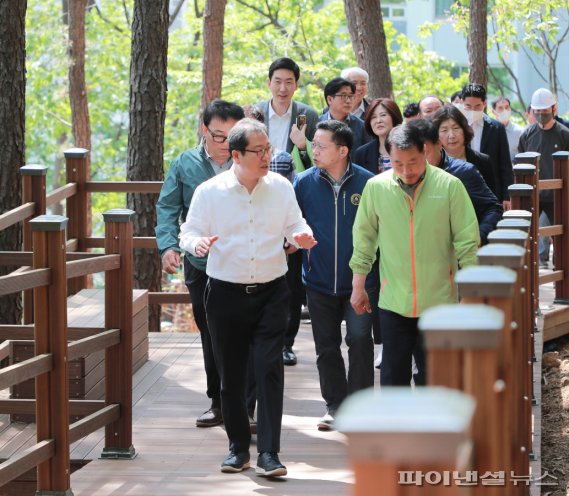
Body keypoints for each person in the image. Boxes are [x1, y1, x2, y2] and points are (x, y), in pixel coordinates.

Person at [179, 119, 316, 476]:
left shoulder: (281, 187)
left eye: (268, 149)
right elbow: (189, 232)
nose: (267, 156)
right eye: (259, 151)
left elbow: (295, 223)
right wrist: (198, 244)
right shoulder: (210, 192)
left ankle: (269, 453)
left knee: (269, 370)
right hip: (225, 293)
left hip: (272, 291)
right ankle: (238, 448)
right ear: (236, 155)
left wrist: (302, 235)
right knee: (232, 376)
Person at [349, 123, 479, 386]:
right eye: (398, 163)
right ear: (388, 158)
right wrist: (358, 285)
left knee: (437, 379)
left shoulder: (450, 186)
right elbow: (364, 239)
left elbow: (468, 242)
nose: (406, 171)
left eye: (413, 162)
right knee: (393, 377)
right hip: (394, 300)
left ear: (426, 151)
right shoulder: (376, 188)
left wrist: (470, 294)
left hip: (440, 301)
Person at [155, 99, 244, 429]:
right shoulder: (185, 163)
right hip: (199, 263)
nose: (225, 145)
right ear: (205, 131)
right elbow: (167, 209)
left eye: (232, 137)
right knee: (210, 333)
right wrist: (167, 247)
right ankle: (218, 402)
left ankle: (246, 404)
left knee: (242, 333)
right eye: (218, 136)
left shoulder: (248, 161)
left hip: (242, 264)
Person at [294, 120, 377, 431]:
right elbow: (292, 224)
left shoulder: (370, 184)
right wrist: (296, 239)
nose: (313, 150)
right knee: (325, 346)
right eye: (313, 144)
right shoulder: (302, 183)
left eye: (320, 145)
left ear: (342, 150)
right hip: (317, 280)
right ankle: (335, 406)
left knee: (359, 342)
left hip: (361, 282)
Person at [257, 57, 318, 364]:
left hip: (294, 200)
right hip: (258, 197)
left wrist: (303, 145)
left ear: (296, 84)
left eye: (289, 82)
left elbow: (317, 163)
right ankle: (260, 336)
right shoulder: (254, 113)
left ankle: (286, 342)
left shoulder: (308, 115)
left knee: (292, 276)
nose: (283, 88)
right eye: (277, 81)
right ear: (269, 83)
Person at [411, 118, 502, 244]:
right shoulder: (404, 177)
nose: (420, 160)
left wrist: (478, 238)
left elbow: (492, 209)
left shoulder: (463, 172)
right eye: (414, 156)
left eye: (425, 153)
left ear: (438, 143)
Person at [518, 88, 569, 267]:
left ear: (553, 109)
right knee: (528, 234)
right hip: (532, 194)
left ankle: (561, 271)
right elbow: (520, 162)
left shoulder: (564, 134)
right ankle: (531, 270)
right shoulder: (527, 134)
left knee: (562, 236)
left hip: (558, 195)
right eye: (537, 111)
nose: (541, 115)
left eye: (544, 111)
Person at [460, 83, 513, 209]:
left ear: (484, 104)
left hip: (491, 189)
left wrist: (507, 196)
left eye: (477, 106)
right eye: (468, 106)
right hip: (462, 187)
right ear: (462, 102)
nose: (473, 110)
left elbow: (504, 163)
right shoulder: (457, 127)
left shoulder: (496, 128)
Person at [432, 104, 498, 200]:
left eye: (456, 128)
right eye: (444, 130)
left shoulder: (483, 160)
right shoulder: (433, 164)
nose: (451, 135)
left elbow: (492, 200)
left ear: (464, 129)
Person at [353, 98, 403, 174]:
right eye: (373, 117)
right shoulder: (362, 153)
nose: (378, 120)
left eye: (383, 115)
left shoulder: (409, 147)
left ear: (394, 117)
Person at [320, 77, 370, 151]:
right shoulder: (316, 123)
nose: (348, 101)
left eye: (350, 96)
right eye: (343, 96)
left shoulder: (362, 127)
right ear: (330, 99)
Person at [491, 96, 524, 162]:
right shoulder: (489, 131)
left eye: (507, 107)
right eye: (500, 108)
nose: (504, 110)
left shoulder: (519, 131)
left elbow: (523, 154)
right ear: (494, 112)